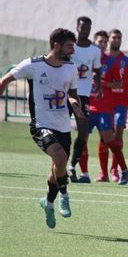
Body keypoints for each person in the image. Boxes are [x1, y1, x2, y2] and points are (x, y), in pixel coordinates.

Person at [0, 28, 83, 228]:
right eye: (69, 46)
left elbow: (72, 93)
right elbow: (4, 81)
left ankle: (48, 203)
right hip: (41, 125)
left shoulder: (71, 67)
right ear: (56, 45)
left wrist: (76, 106)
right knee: (61, 158)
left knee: (57, 168)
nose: (72, 50)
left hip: (63, 125)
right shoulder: (32, 65)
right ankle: (64, 195)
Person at [96, 29, 128, 185]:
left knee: (118, 135)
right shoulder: (100, 59)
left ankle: (115, 170)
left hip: (121, 104)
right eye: (114, 37)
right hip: (104, 104)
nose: (116, 40)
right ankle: (103, 172)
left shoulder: (127, 61)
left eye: (119, 37)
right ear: (108, 40)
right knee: (104, 138)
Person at [67, 16, 102, 183]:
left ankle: (72, 166)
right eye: (82, 28)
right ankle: (59, 162)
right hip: (66, 94)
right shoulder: (70, 46)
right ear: (77, 27)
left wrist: (99, 86)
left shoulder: (94, 50)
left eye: (88, 28)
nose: (85, 30)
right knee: (62, 131)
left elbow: (97, 70)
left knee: (82, 134)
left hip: (83, 96)